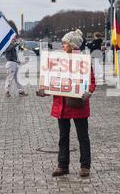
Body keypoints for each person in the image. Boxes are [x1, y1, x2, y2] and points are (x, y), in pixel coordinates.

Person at [36, 29, 96, 178]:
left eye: (65, 43)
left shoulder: (83, 61)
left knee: (82, 136)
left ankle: (85, 166)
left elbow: (92, 81)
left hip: (77, 104)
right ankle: (62, 165)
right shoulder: (58, 60)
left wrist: (88, 91)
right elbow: (53, 80)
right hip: (61, 105)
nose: (62, 46)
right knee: (63, 137)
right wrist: (45, 90)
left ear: (72, 45)